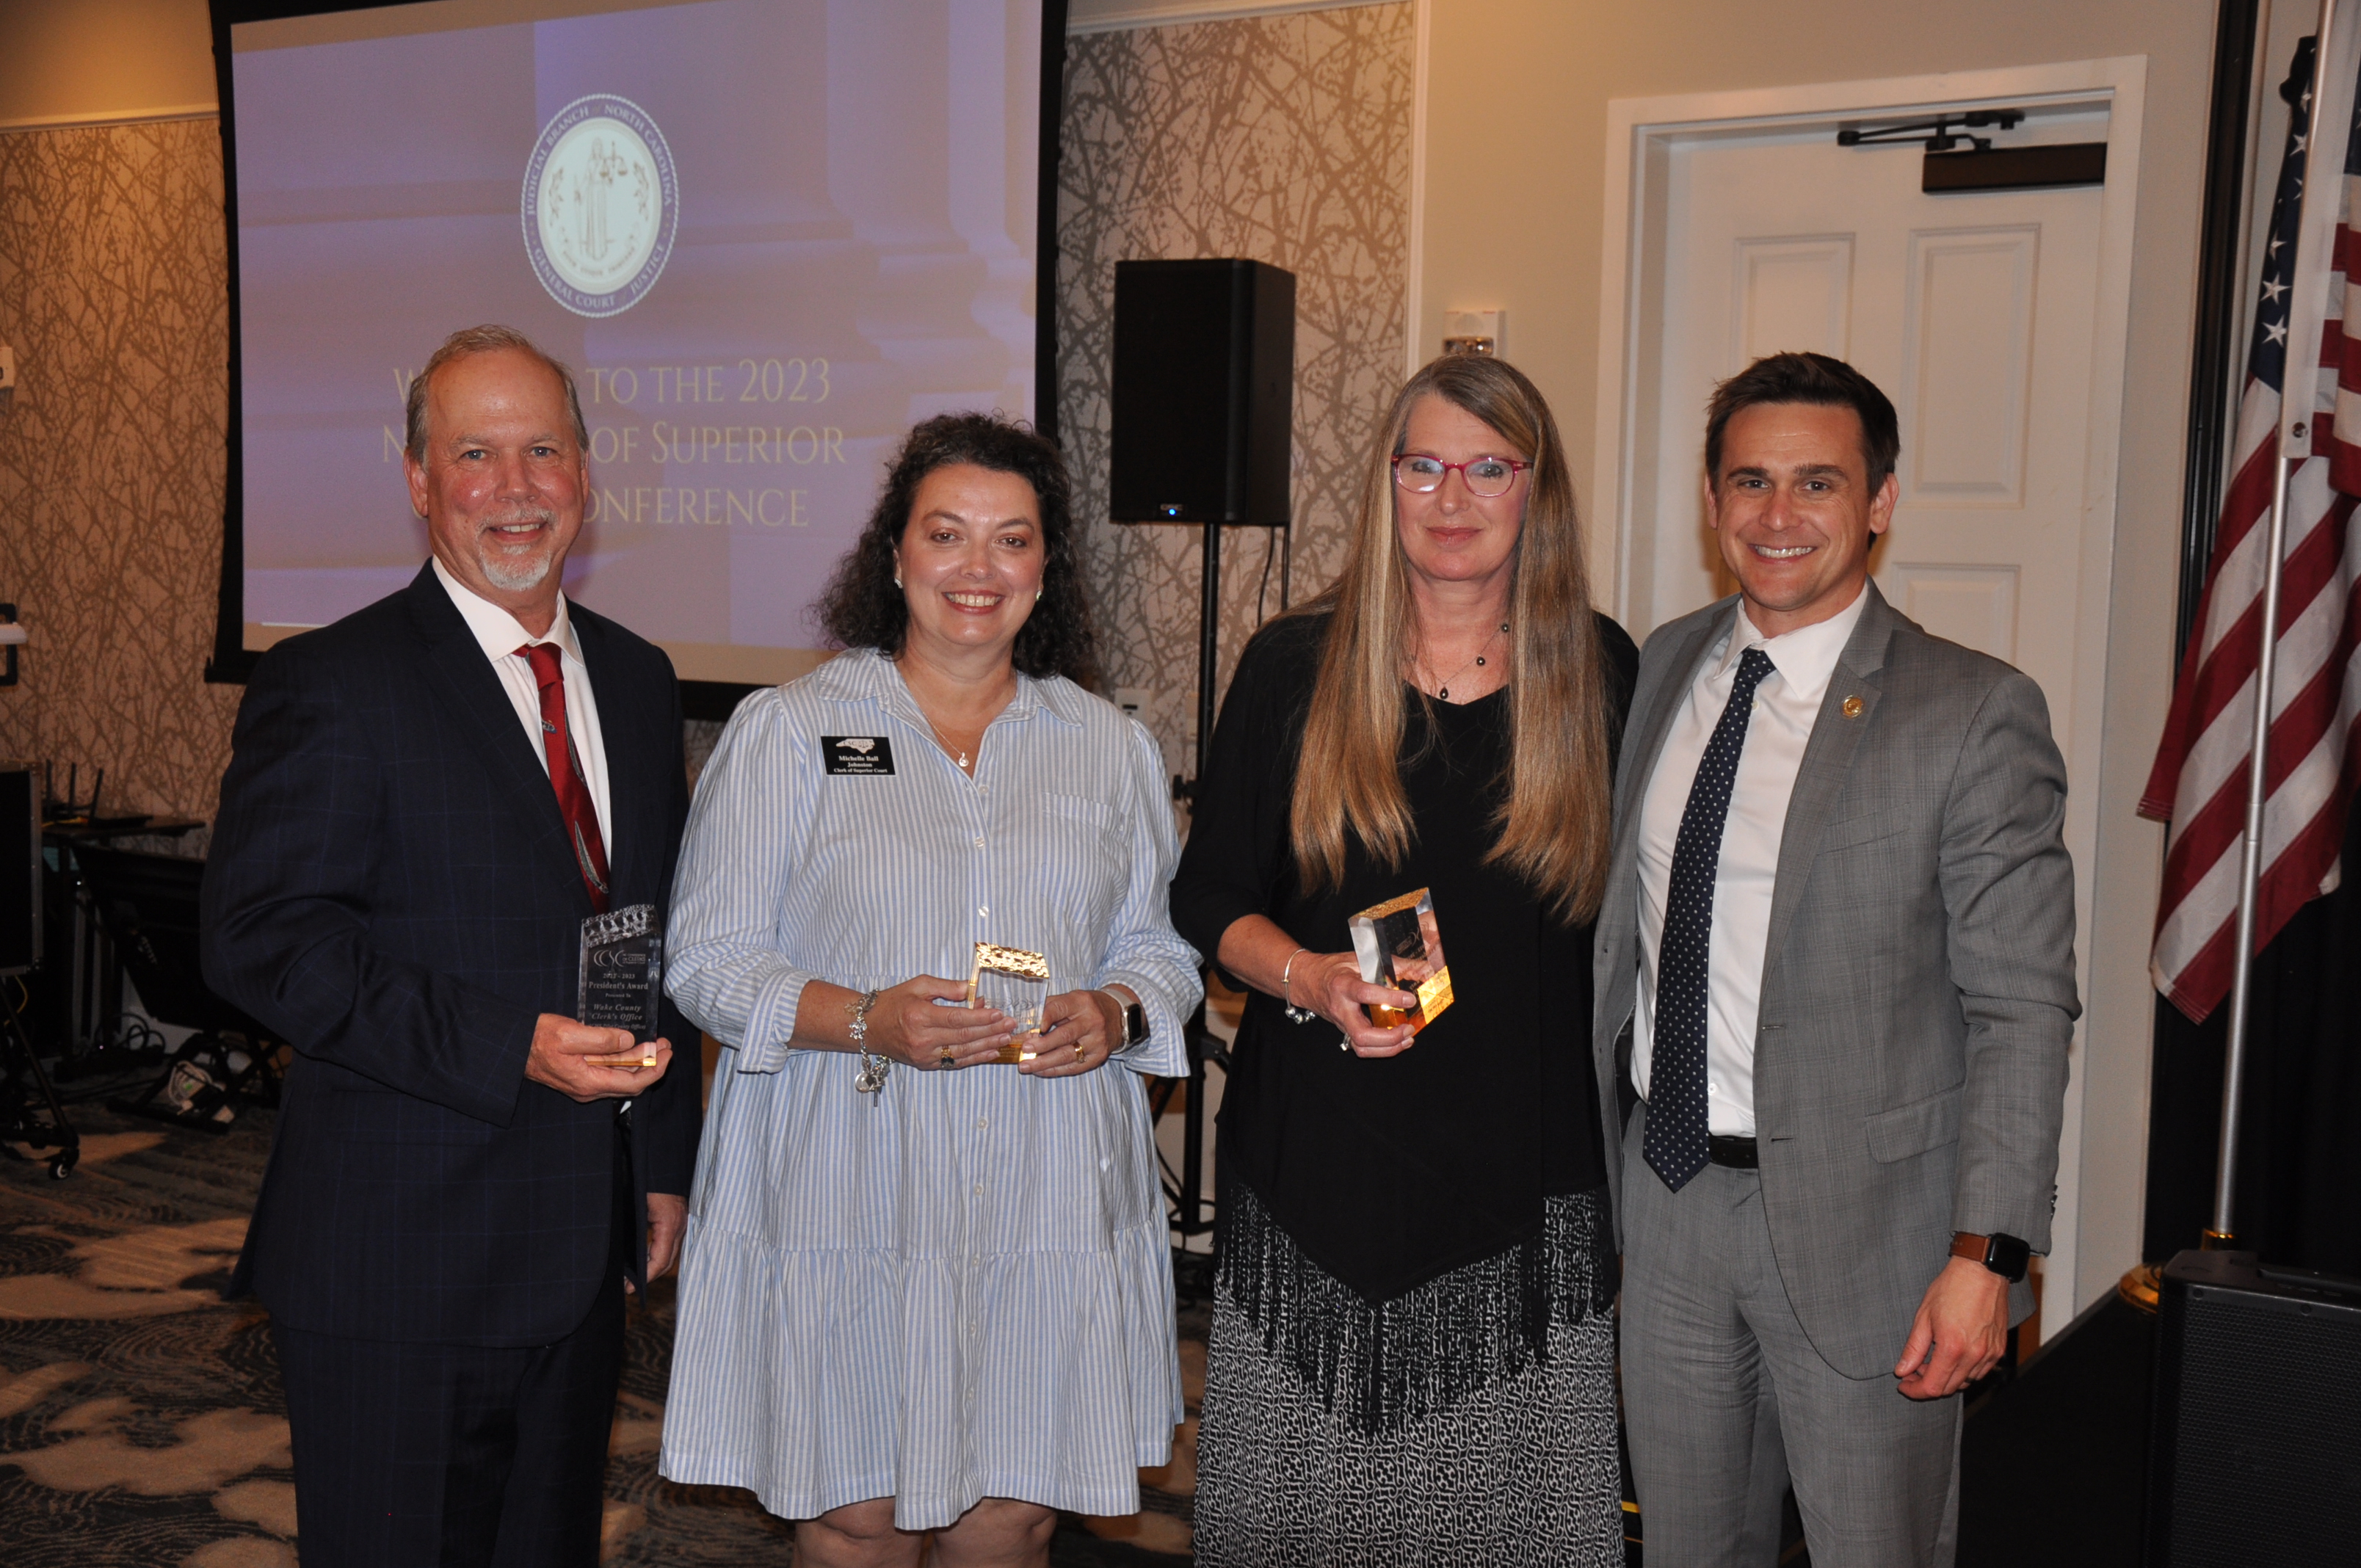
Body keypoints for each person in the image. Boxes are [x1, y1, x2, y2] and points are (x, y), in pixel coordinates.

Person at [655, 412, 1200, 1568]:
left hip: (1046, 1176)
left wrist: (1117, 1012)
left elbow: (1160, 948)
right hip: (850, 1167)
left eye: (1011, 541)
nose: (976, 569)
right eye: (945, 534)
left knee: (1014, 1503)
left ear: (1045, 568)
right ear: (893, 555)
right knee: (856, 1509)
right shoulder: (792, 733)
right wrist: (864, 1018)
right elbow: (706, 960)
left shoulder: (1108, 749)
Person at [201, 324, 702, 1564]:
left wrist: (663, 1157)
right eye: (475, 453)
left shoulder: (639, 681)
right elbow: (263, 939)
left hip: (580, 1247)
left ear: (586, 473)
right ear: (420, 480)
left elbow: (651, 931)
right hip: (397, 1257)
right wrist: (509, 1044)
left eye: (543, 449)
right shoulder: (335, 680)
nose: (516, 486)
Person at [1595, 351, 2077, 1567]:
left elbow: (2023, 1008)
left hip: (1877, 1238)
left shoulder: (1971, 710)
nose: (1778, 515)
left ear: (1881, 501)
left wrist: (1990, 1258)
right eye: (1750, 481)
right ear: (1710, 502)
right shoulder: (1662, 667)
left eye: (1819, 482)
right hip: (1668, 1206)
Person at [1171, 353, 1637, 1567]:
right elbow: (1210, 894)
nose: (1453, 495)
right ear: (1386, 483)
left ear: (1538, 492)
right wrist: (1312, 978)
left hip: (1523, 1194)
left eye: (1490, 467)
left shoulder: (1602, 675)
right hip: (1318, 1170)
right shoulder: (1293, 667)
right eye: (1423, 464)